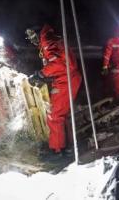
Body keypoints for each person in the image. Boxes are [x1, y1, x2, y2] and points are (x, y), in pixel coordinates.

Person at [26, 24, 82, 157]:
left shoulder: (47, 41)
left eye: (32, 35)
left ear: (38, 33)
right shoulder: (51, 39)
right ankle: (68, 146)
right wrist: (47, 76)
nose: (32, 39)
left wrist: (41, 74)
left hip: (66, 80)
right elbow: (62, 62)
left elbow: (58, 64)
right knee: (62, 114)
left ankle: (57, 150)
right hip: (66, 78)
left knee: (55, 115)